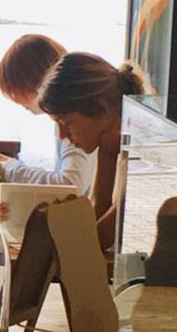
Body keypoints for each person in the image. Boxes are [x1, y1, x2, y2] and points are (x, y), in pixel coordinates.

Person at [37, 52, 148, 250]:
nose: (62, 135)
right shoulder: (114, 141)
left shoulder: (144, 149)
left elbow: (99, 239)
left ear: (100, 107)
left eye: (66, 122)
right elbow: (95, 216)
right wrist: (106, 154)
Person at [0, 35, 96, 195]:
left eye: (16, 86)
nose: (13, 97)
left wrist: (11, 169)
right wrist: (10, 165)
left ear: (38, 80)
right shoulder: (68, 115)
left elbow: (69, 185)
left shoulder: (74, 120)